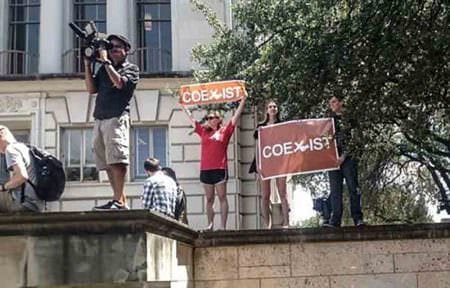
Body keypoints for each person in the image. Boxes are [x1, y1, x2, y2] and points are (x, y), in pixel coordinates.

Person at [84, 34, 139, 210]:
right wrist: (87, 63)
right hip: (100, 117)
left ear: (126, 50)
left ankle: (119, 201)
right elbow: (91, 89)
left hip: (116, 116)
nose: (113, 50)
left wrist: (106, 62)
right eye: (110, 47)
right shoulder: (104, 70)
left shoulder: (131, 69)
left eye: (117, 47)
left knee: (117, 160)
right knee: (107, 162)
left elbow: (120, 83)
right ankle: (119, 200)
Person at [181, 97, 246, 230]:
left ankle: (222, 226)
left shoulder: (225, 131)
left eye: (213, 117)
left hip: (220, 169)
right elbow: (191, 119)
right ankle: (210, 224)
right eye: (208, 118)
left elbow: (236, 116)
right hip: (206, 169)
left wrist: (243, 100)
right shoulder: (203, 131)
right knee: (209, 199)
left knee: (222, 197)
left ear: (219, 119)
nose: (210, 120)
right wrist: (183, 105)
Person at [323, 96, 364, 227]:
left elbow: (355, 140)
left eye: (334, 101)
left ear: (341, 102)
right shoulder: (329, 122)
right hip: (333, 160)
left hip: (349, 158)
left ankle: (357, 218)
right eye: (330, 103)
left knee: (353, 187)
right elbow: (323, 140)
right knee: (335, 190)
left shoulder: (351, 120)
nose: (332, 105)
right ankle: (335, 220)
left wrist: (343, 156)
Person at [249, 100, 290, 228]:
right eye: (270, 107)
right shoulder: (260, 127)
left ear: (277, 109)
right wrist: (258, 164)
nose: (272, 108)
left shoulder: (283, 125)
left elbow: (288, 144)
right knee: (265, 195)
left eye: (274, 106)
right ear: (266, 110)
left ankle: (286, 223)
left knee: (283, 193)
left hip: (280, 163)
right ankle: (267, 225)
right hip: (265, 162)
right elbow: (257, 146)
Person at [0, 125, 44, 212]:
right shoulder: (25, 148)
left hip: (21, 203)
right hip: (35, 204)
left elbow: (22, 176)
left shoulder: (10, 149)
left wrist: (3, 187)